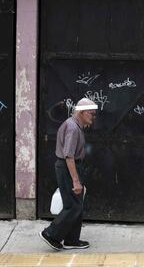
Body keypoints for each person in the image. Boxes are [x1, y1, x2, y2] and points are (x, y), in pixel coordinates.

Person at [39, 98, 98, 251]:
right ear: (83, 112)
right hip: (68, 167)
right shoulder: (72, 128)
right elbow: (68, 156)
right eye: (92, 113)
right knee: (72, 206)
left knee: (77, 205)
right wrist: (76, 181)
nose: (93, 116)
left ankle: (72, 240)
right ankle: (51, 234)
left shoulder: (75, 125)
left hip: (71, 167)